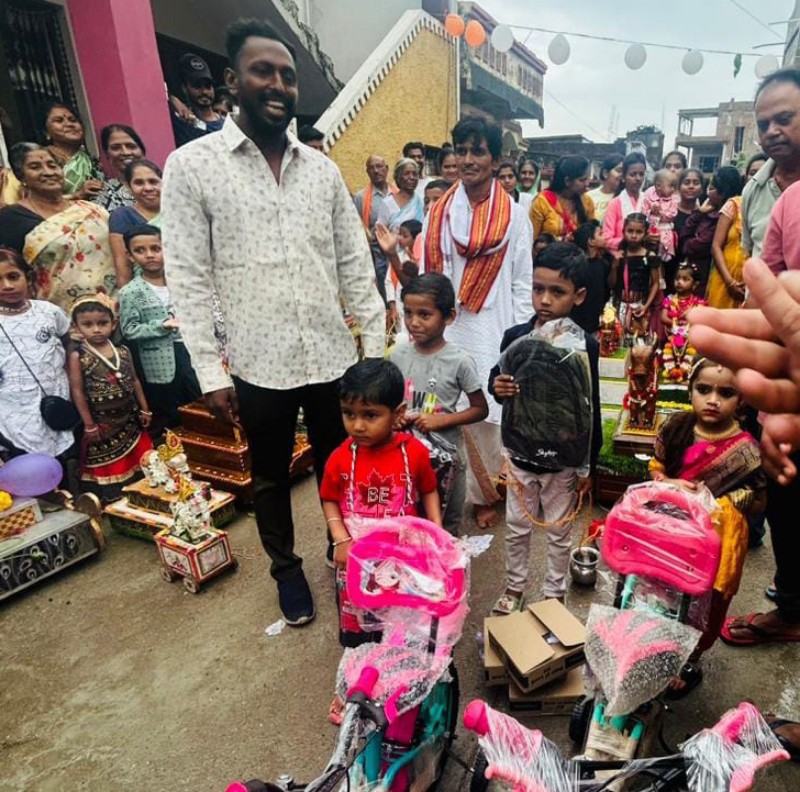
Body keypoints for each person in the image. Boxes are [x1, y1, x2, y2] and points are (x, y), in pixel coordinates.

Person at [161, 18, 385, 627]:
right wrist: (210, 370)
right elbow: (187, 275)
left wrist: (375, 348)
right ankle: (287, 571)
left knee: (345, 468)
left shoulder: (323, 171)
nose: (279, 84)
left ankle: (350, 564)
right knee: (268, 477)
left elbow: (353, 264)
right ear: (234, 80)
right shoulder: (193, 166)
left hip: (333, 358)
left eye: (288, 75)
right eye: (265, 71)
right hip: (258, 362)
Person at [421, 116, 533, 530]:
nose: (468, 159)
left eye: (477, 151)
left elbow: (523, 281)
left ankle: (485, 494)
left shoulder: (515, 216)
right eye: (461, 150)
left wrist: (518, 338)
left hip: (493, 325)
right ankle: (442, 489)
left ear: (495, 157)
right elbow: (425, 272)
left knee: (486, 419)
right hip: (448, 324)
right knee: (442, 407)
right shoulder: (440, 212)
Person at [489, 243, 601, 611]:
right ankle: (514, 588)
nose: (545, 300)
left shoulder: (585, 345)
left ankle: (554, 594)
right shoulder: (515, 337)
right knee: (517, 528)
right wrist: (498, 387)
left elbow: (590, 405)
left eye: (558, 291)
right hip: (521, 455)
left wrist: (588, 465)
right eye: (539, 289)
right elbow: (499, 378)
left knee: (559, 531)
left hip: (565, 459)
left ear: (579, 296)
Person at [649, 357, 765, 696]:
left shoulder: (746, 449)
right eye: (704, 390)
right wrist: (670, 483)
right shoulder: (675, 429)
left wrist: (724, 503)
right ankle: (660, 648)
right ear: (690, 390)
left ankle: (690, 658)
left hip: (719, 542)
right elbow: (656, 468)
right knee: (663, 595)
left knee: (707, 606)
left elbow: (761, 502)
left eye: (726, 392)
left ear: (741, 399)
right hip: (672, 530)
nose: (713, 400)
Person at [320, 359, 441, 641]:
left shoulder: (414, 453)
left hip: (404, 557)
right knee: (359, 632)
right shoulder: (340, 458)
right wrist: (340, 539)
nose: (357, 425)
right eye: (348, 414)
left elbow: (428, 490)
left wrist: (436, 530)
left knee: (402, 627)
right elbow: (329, 499)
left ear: (397, 412)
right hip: (355, 560)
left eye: (370, 415)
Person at [390, 274, 489, 535]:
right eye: (408, 313)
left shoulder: (459, 360)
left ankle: (445, 572)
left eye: (424, 314)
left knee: (446, 524)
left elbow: (481, 409)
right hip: (404, 455)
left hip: (446, 460)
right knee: (408, 518)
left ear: (449, 317)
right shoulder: (398, 354)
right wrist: (393, 419)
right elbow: (388, 400)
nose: (413, 322)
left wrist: (440, 420)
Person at [0, 143, 115, 312]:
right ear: (21, 176)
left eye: (52, 165)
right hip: (59, 318)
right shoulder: (11, 218)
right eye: (35, 167)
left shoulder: (91, 210)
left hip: (115, 309)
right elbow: (10, 271)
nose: (48, 172)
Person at [67, 294, 153, 500]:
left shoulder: (122, 351)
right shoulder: (78, 355)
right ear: (77, 327)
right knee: (109, 464)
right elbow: (77, 391)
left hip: (130, 418)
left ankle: (142, 493)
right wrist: (88, 424)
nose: (96, 329)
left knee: (140, 457)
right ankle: (114, 499)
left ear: (113, 324)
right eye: (88, 324)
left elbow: (135, 381)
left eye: (102, 323)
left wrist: (145, 408)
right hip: (101, 423)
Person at [118, 225, 200, 431]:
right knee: (173, 412)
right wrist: (161, 326)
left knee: (200, 401)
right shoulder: (131, 292)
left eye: (156, 248)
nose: (150, 255)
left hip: (192, 352)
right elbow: (129, 329)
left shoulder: (183, 282)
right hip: (159, 362)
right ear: (129, 255)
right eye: (140, 250)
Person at [0, 248, 74, 459]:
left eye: (13, 276)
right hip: (13, 407)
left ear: (28, 277)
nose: (7, 285)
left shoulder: (48, 311)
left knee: (63, 459)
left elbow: (67, 341)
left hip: (54, 398)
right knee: (25, 467)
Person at [742, 68, 800, 258]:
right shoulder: (752, 190)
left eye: (783, 120)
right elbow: (750, 254)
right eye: (763, 125)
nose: (771, 132)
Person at [681, 165, 741, 294]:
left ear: (723, 191)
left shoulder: (723, 218)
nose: (708, 192)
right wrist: (700, 213)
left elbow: (690, 247)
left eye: (712, 188)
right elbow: (685, 234)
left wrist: (688, 240)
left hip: (708, 276)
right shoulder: (708, 212)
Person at [109, 159, 162, 287]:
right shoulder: (122, 216)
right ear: (129, 187)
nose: (148, 188)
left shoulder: (177, 212)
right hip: (146, 290)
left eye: (153, 181)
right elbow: (123, 266)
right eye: (139, 183)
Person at [609, 213, 660, 340]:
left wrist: (646, 306)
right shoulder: (618, 256)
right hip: (618, 306)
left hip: (639, 307)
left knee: (638, 342)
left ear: (645, 233)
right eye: (630, 231)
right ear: (623, 231)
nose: (633, 236)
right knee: (616, 343)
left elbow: (655, 283)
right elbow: (610, 284)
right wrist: (614, 266)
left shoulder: (650, 256)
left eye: (639, 232)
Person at [43, 102, 104, 201]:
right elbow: (36, 202)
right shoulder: (41, 161)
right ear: (46, 132)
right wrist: (76, 195)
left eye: (73, 120)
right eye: (59, 120)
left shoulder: (92, 162)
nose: (69, 124)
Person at [353, 155, 394, 300]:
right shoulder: (360, 197)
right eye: (372, 168)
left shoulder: (397, 193)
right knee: (382, 293)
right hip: (377, 256)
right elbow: (358, 228)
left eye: (379, 166)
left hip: (398, 252)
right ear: (367, 172)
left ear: (386, 169)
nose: (376, 171)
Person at [530, 155, 594, 240]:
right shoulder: (542, 201)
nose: (587, 184)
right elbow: (532, 238)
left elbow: (592, 234)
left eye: (588, 179)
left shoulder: (587, 201)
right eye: (582, 180)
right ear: (567, 181)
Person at [708, 171, 748, 309]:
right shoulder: (734, 204)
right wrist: (729, 282)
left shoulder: (773, 206)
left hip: (752, 283)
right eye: (753, 172)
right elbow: (716, 246)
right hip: (725, 279)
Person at [170, 53, 225, 148]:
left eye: (208, 86)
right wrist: (173, 99)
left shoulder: (226, 125)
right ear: (184, 88)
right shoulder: (182, 123)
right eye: (197, 86)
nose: (204, 91)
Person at [94, 124, 146, 212]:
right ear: (107, 155)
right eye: (116, 148)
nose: (125, 152)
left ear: (142, 151)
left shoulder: (164, 183)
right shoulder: (104, 194)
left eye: (131, 146)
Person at [602, 152, 647, 252]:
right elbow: (606, 239)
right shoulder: (615, 203)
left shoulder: (649, 201)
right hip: (621, 259)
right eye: (633, 174)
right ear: (623, 177)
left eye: (641, 174)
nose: (638, 178)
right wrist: (631, 241)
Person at [385, 218, 421, 338]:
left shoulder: (421, 259)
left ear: (416, 239)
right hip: (400, 307)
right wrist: (392, 308)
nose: (400, 238)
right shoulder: (398, 257)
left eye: (405, 236)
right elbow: (389, 282)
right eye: (399, 234)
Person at [572, 220, 610, 334]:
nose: (605, 237)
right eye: (600, 234)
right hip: (579, 322)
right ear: (591, 241)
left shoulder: (603, 264)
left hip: (596, 322)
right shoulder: (577, 267)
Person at [642, 168, 680, 264]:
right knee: (651, 255)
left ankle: (662, 274)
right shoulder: (649, 197)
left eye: (674, 186)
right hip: (651, 230)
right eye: (670, 186)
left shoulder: (673, 200)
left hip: (665, 229)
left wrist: (660, 212)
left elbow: (672, 214)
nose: (673, 189)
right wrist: (651, 211)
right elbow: (643, 212)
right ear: (658, 186)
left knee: (664, 256)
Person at [382, 157, 423, 232]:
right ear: (398, 177)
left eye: (414, 174)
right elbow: (381, 232)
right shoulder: (387, 204)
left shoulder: (421, 202)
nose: (411, 177)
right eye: (406, 174)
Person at [586, 153, 623, 222]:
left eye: (624, 172)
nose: (622, 175)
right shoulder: (589, 196)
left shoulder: (624, 197)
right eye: (618, 171)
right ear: (605, 173)